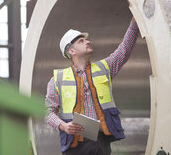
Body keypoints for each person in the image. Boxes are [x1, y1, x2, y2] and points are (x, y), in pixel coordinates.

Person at [45, 17, 139, 155]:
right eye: (81, 41)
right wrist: (64, 126)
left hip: (101, 142)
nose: (87, 41)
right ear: (72, 51)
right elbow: (48, 112)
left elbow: (124, 50)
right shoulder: (57, 79)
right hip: (75, 145)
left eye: (86, 40)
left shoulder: (104, 68)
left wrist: (135, 22)